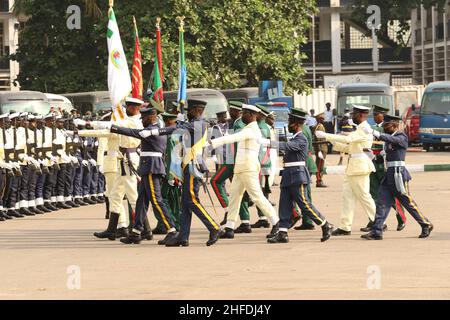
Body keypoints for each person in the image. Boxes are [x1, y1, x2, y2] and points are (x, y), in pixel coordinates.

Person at [139, 99, 222, 247]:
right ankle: (183, 237)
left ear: (197, 110)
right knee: (185, 203)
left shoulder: (197, 124)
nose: (187, 113)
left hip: (193, 165)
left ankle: (214, 227)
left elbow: (174, 130)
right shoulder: (194, 124)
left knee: (191, 200)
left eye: (189, 110)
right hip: (188, 165)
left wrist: (154, 131)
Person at [259, 108, 333, 243]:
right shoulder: (294, 137)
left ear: (297, 124)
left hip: (298, 175)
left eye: (290, 122)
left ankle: (325, 224)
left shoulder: (301, 139)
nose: (288, 125)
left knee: (304, 203)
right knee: (284, 205)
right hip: (288, 175)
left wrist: (269, 143)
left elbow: (287, 146)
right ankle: (283, 233)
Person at [75, 97, 143, 241]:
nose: (125, 111)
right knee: (115, 196)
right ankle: (113, 229)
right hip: (122, 162)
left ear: (133, 108)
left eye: (127, 107)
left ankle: (142, 229)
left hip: (128, 161)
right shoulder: (128, 121)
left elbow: (108, 128)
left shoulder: (132, 121)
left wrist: (87, 123)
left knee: (132, 196)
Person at [209, 104, 280, 240]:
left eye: (245, 113)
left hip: (248, 168)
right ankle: (229, 227)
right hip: (240, 169)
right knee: (234, 197)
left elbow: (232, 138)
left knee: (257, 196)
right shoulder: (248, 128)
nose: (243, 116)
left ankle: (276, 222)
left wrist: (212, 143)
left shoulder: (252, 129)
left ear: (253, 115)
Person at [109, 107, 178, 245]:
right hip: (148, 168)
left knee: (156, 200)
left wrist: (113, 127)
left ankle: (172, 230)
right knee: (141, 201)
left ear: (150, 118)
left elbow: (132, 132)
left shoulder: (153, 131)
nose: (142, 121)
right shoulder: (154, 129)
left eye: (144, 118)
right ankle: (136, 232)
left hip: (152, 168)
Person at [361, 115, 433, 240]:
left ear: (394, 125)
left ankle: (425, 224)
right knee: (382, 203)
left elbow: (393, 140)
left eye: (387, 126)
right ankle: (377, 231)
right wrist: (372, 156)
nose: (385, 128)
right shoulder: (389, 140)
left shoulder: (401, 136)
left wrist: (374, 132)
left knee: (407, 202)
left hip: (398, 174)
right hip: (388, 174)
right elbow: (386, 156)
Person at [316, 105, 376, 236]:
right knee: (347, 198)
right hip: (353, 167)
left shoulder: (364, 129)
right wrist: (330, 140)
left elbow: (348, 139)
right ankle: (345, 226)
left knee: (364, 196)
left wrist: (326, 135)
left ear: (360, 115)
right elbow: (350, 148)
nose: (352, 116)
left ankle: (378, 222)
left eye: (354, 114)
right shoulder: (359, 128)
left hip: (360, 168)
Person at [361, 105, 407, 233]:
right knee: (374, 195)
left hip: (384, 166)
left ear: (384, 115)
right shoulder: (371, 128)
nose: (375, 117)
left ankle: (401, 217)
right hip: (372, 163)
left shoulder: (385, 129)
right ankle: (375, 221)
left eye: (377, 114)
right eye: (374, 114)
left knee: (391, 196)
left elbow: (389, 142)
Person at [210, 101, 251, 233]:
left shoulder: (237, 124)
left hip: (232, 161)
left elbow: (237, 144)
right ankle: (245, 222)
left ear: (236, 111)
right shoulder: (235, 123)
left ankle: (228, 209)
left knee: (215, 181)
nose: (229, 114)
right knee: (240, 191)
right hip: (234, 160)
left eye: (231, 111)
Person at [252, 105, 274, 229]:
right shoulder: (267, 127)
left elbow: (258, 147)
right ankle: (264, 217)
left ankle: (263, 218)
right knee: (263, 191)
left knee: (258, 192)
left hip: (259, 162)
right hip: (266, 162)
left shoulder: (259, 127)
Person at [312, 113, 328, 188]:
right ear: (318, 119)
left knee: (320, 165)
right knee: (319, 166)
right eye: (321, 119)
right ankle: (319, 181)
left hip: (322, 148)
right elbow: (318, 139)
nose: (323, 120)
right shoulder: (319, 127)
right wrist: (319, 151)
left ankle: (319, 180)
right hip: (321, 149)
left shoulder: (318, 126)